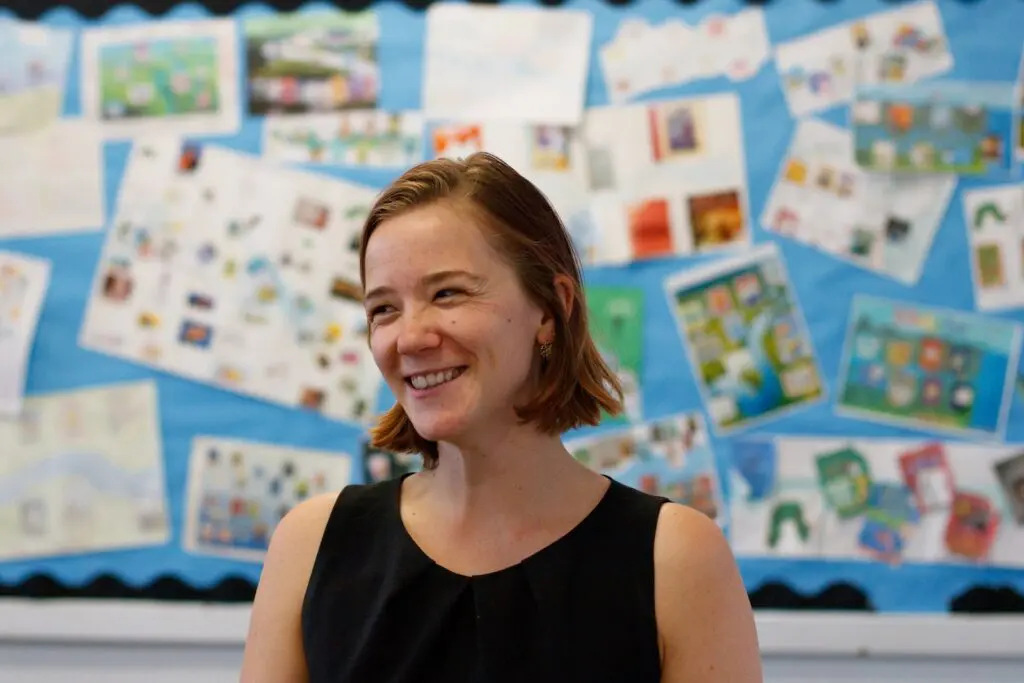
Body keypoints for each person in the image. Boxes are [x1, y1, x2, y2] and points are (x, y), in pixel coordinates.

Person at [239, 152, 763, 683]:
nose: (410, 338)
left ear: (549, 308)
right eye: (384, 309)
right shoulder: (312, 546)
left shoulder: (675, 560)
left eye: (447, 293)